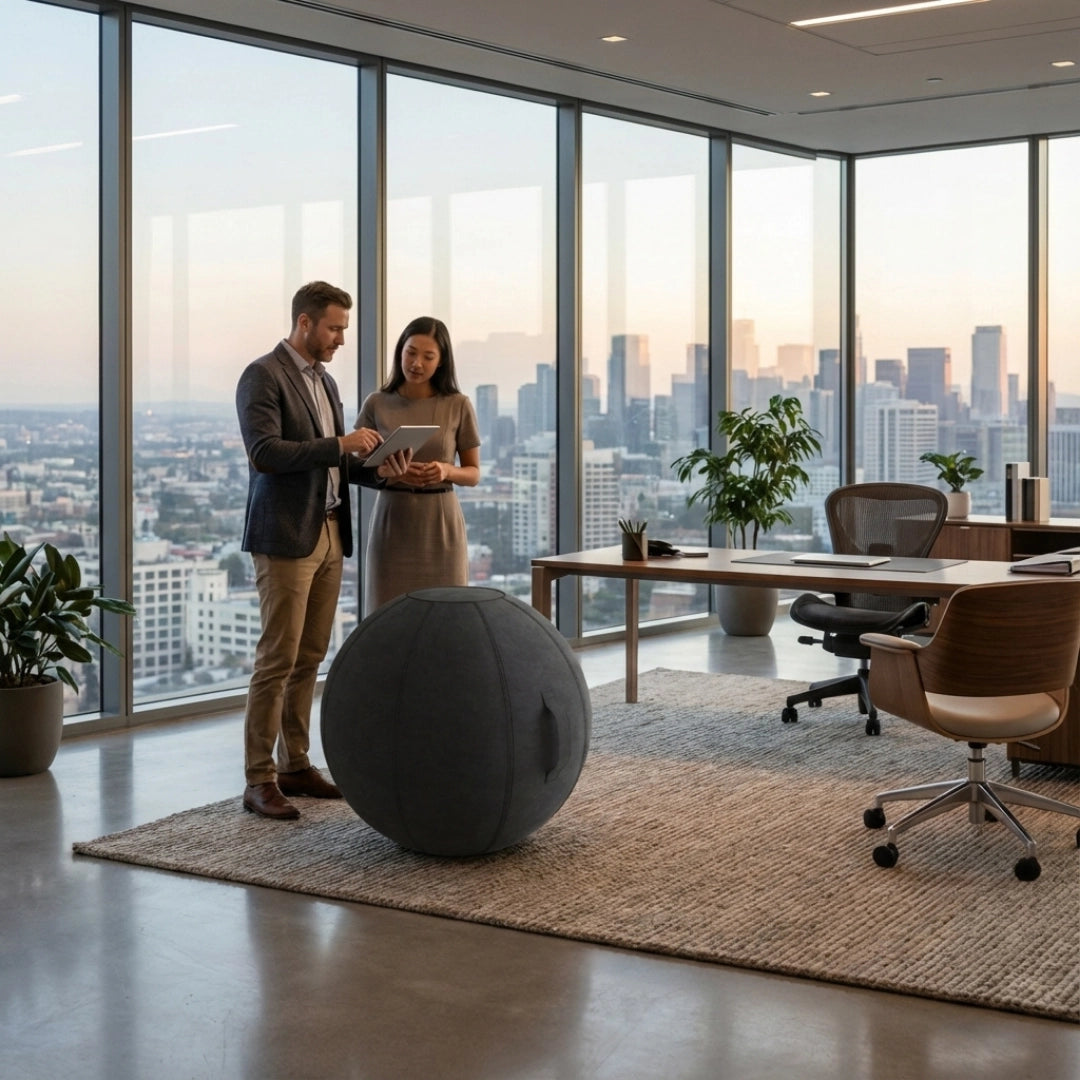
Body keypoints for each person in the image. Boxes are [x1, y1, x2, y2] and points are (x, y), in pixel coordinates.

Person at [236, 281, 410, 821]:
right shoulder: (262, 375)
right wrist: (341, 444)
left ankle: (295, 763)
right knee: (277, 659)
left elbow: (340, 464)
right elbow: (265, 453)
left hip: (331, 531)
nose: (340, 339)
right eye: (334, 328)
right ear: (305, 322)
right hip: (287, 535)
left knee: (309, 657)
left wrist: (382, 466)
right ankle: (258, 778)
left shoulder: (327, 383)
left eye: (344, 330)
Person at [356, 316, 480, 616]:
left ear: (441, 362)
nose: (416, 363)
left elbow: (473, 473)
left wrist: (446, 470)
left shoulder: (458, 404)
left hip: (440, 523)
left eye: (428, 356)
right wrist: (386, 469)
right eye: (411, 352)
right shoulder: (377, 403)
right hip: (393, 520)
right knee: (387, 615)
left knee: (447, 616)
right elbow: (356, 464)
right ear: (400, 350)